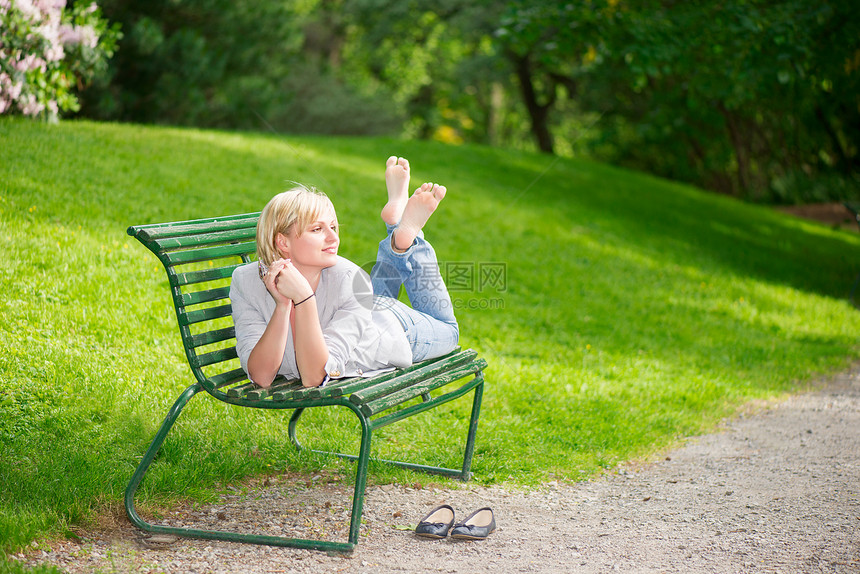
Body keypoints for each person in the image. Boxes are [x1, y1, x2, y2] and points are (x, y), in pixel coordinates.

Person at [230, 156, 459, 389]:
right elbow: (261, 376)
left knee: (449, 331)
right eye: (318, 229)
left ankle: (405, 238)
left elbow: (314, 376)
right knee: (369, 292)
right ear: (283, 242)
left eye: (333, 226)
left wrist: (304, 299)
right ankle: (399, 230)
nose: (333, 237)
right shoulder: (246, 281)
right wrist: (282, 306)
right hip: (363, 304)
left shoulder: (348, 277)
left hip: (394, 328)